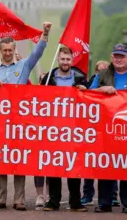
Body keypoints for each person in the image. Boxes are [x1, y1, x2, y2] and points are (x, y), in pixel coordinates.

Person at [0, 22, 51, 211]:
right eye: (4, 50)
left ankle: (19, 200)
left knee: (18, 159)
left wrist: (45, 34)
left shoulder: (23, 66)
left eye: (10, 50)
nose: (7, 52)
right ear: (0, 51)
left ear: (15, 50)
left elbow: (37, 53)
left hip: (19, 121)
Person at [89, 43, 127, 214]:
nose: (119, 59)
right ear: (111, 57)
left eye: (122, 56)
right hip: (106, 128)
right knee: (105, 165)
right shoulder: (102, 75)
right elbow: (89, 94)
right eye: (116, 55)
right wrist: (103, 89)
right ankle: (104, 203)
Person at [41, 46, 88, 212]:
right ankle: (53, 201)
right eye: (62, 59)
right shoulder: (48, 78)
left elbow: (91, 102)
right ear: (58, 60)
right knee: (54, 166)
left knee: (73, 165)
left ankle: (75, 201)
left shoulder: (81, 78)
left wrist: (85, 91)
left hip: (75, 130)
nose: (65, 62)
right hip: (53, 129)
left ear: (72, 61)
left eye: (68, 59)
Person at [81, 61, 117, 207]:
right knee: (90, 164)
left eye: (105, 70)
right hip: (92, 130)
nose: (102, 73)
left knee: (110, 163)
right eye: (99, 71)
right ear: (95, 72)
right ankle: (87, 194)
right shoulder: (91, 85)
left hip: (109, 130)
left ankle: (113, 195)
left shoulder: (113, 87)